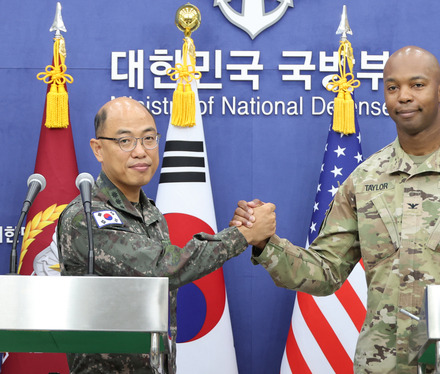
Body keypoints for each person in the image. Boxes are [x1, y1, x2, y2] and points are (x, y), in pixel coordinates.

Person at [232, 46, 440, 374]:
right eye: (392, 87)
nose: (403, 96)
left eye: (417, 85)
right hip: (382, 366)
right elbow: (325, 271)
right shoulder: (364, 180)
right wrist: (267, 244)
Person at [56, 97, 276, 374]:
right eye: (125, 141)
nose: (140, 151)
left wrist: (242, 231)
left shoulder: (150, 212)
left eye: (149, 138)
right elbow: (161, 268)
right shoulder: (87, 216)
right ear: (98, 149)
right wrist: (241, 235)